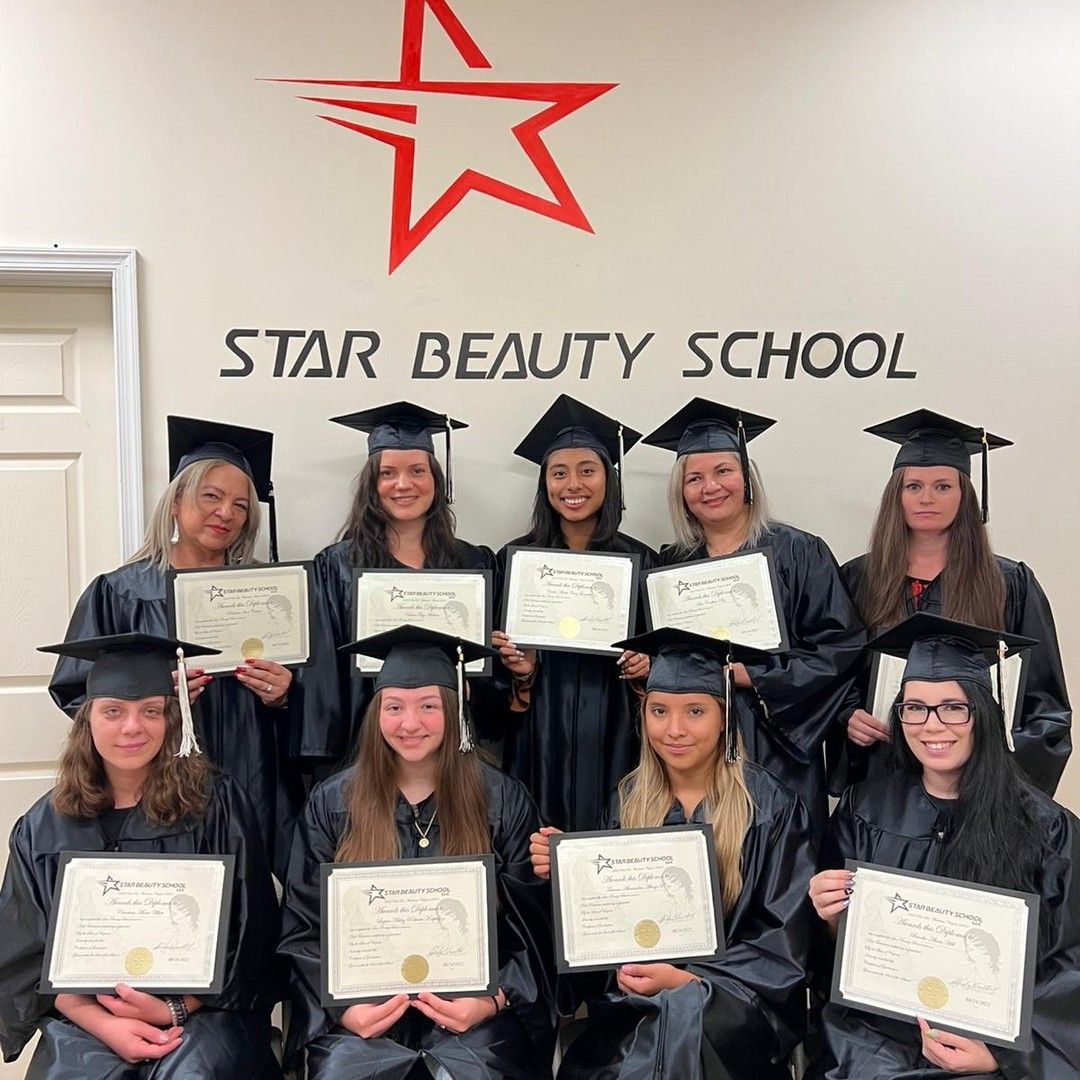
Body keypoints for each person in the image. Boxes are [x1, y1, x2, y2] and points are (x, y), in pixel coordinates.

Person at [530, 628, 815, 1080]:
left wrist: (689, 984)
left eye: (695, 712)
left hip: (732, 1014)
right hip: (634, 1010)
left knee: (685, 1035)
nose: (674, 729)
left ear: (724, 717)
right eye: (659, 711)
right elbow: (600, 947)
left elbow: (782, 942)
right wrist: (571, 879)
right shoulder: (629, 803)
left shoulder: (772, 808)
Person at [808, 614, 1080, 1079]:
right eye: (914, 707)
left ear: (984, 714)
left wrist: (1006, 1055)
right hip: (874, 1038)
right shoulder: (864, 810)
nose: (932, 725)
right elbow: (836, 954)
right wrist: (831, 918)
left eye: (953, 707)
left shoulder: (1046, 828)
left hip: (987, 1045)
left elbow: (1069, 964)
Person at [279, 626, 555, 1079]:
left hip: (473, 1013)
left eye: (428, 706)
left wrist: (493, 1000)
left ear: (454, 708)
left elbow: (532, 923)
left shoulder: (501, 800)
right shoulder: (334, 803)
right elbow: (304, 927)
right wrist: (344, 1010)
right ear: (376, 713)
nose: (410, 724)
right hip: (365, 1015)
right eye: (394, 707)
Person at [0, 634, 282, 1078]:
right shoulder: (45, 825)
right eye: (113, 711)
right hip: (87, 1018)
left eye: (151, 711)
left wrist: (175, 1007)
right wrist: (106, 1025)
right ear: (87, 720)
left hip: (206, 1013)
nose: (133, 727)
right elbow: (27, 950)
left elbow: (253, 931)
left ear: (173, 721)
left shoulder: (217, 804)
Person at [47, 417, 302, 876]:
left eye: (241, 505)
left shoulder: (270, 592)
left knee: (247, 905)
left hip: (255, 774)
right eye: (211, 496)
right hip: (152, 786)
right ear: (177, 501)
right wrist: (144, 696)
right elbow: (75, 691)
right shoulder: (119, 592)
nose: (226, 512)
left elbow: (317, 702)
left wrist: (284, 694)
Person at [643, 398, 866, 835]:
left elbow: (840, 648)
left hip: (778, 743)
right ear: (682, 494)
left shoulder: (800, 552)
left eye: (723, 471)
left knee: (780, 861)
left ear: (747, 478)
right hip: (693, 749)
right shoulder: (670, 565)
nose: (710, 487)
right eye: (695, 478)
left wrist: (760, 677)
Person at [835, 410, 1071, 796]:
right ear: (896, 496)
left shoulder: (1009, 583)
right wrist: (847, 716)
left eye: (943, 486)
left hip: (975, 783)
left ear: (965, 496)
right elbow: (836, 672)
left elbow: (1044, 703)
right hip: (883, 777)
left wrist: (1000, 770)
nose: (927, 498)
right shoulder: (858, 579)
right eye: (913, 486)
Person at [293, 402, 496, 770]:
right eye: (388, 473)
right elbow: (325, 674)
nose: (403, 484)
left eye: (417, 471)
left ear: (436, 479)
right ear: (372, 484)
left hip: (451, 754)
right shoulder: (337, 565)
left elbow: (485, 677)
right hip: (363, 752)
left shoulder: (472, 563)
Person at [492, 395, 656, 832]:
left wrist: (647, 669)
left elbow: (668, 661)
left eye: (587, 469)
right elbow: (493, 676)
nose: (572, 484)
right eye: (558, 472)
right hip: (541, 732)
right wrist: (520, 672)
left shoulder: (643, 563)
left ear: (608, 478)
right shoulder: (512, 562)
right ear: (544, 483)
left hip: (617, 729)